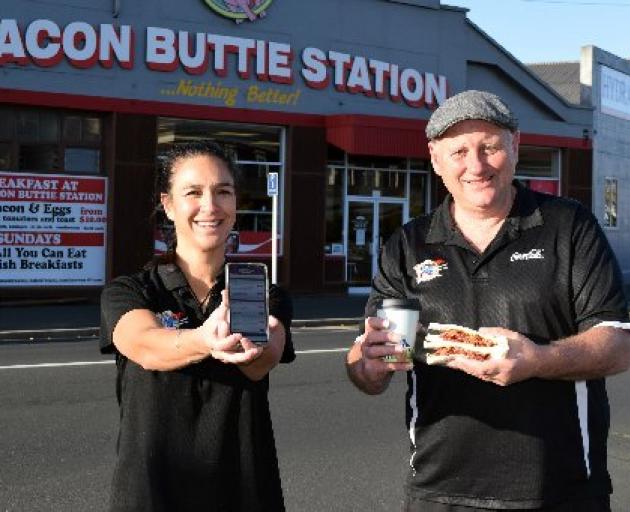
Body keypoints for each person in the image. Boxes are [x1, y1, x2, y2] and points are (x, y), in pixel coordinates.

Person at [346, 90, 630, 511]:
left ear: (515, 145)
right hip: (439, 491)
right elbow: (373, 364)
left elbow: (618, 342)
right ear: (436, 159)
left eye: (490, 147)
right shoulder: (408, 244)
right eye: (458, 150)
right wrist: (368, 365)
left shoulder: (568, 226)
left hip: (562, 489)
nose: (475, 165)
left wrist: (538, 358)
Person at [100, 141, 295, 512]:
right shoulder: (131, 290)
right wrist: (204, 339)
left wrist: (253, 347)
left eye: (223, 192)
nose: (210, 206)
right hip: (151, 495)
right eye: (193, 192)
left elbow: (262, 361)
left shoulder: (263, 293)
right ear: (168, 205)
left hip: (243, 493)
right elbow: (144, 345)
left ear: (236, 205)